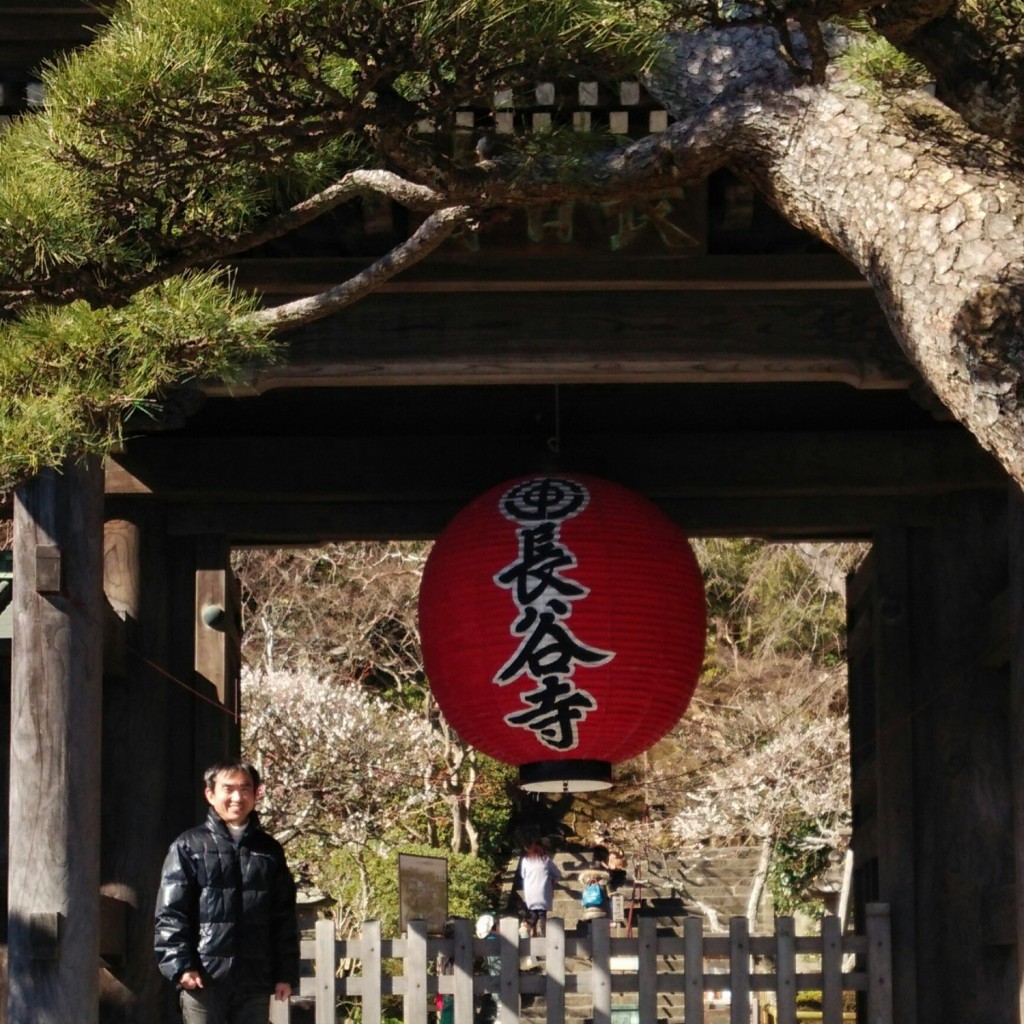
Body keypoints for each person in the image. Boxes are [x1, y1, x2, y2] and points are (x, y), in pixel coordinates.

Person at [154, 759, 299, 1024]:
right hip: (204, 978)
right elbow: (171, 913)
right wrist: (182, 965)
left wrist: (285, 973)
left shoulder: (269, 850)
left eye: (245, 789)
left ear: (256, 794)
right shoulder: (188, 845)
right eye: (228, 788)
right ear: (210, 794)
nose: (237, 797)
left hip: (255, 978)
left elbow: (283, 917)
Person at [516, 841, 562, 937]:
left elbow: (523, 875)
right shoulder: (546, 860)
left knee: (534, 912)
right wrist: (552, 881)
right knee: (542, 914)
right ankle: (544, 935)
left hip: (530, 891)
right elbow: (558, 874)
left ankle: (531, 929)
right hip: (543, 891)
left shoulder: (526, 860)